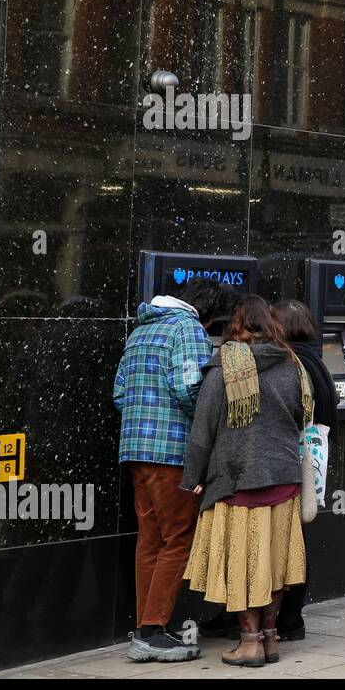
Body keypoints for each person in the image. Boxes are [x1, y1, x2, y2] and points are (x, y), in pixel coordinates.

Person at [181, 294, 312, 668]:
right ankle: (270, 638)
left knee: (242, 567)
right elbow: (305, 415)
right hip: (284, 481)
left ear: (236, 325)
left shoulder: (225, 366)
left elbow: (202, 432)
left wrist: (193, 478)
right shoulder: (293, 365)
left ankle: (249, 643)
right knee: (272, 566)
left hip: (239, 481)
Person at [114, 276, 232, 663]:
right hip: (171, 451)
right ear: (208, 312)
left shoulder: (141, 330)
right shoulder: (188, 327)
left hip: (135, 449)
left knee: (149, 541)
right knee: (178, 539)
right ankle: (152, 632)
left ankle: (145, 626)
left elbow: (119, 393)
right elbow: (189, 389)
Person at [271, 299, 339, 640]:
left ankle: (289, 617)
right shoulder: (317, 359)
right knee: (296, 536)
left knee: (290, 540)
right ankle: (290, 616)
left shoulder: (291, 361)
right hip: (313, 459)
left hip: (291, 459)